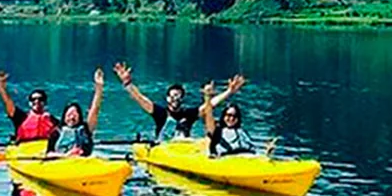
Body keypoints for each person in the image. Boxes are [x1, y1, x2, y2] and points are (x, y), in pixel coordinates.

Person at [113, 62, 245, 141]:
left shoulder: (189, 114)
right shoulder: (160, 113)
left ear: (182, 99)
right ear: (167, 98)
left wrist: (229, 91)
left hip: (183, 149)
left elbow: (209, 106)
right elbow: (140, 99)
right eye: (172, 96)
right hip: (164, 148)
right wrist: (127, 83)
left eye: (178, 96)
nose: (175, 99)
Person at [48, 68, 104, 156]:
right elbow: (49, 154)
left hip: (82, 164)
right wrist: (67, 155)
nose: (71, 117)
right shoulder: (56, 132)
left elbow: (95, 109)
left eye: (75, 115)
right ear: (64, 117)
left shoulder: (86, 128)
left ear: (79, 117)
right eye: (69, 115)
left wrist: (99, 87)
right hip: (61, 164)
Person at [0, 70, 60, 144]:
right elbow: (7, 101)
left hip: (44, 150)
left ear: (45, 102)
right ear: (30, 103)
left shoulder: (52, 120)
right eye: (33, 99)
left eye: (40, 99)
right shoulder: (21, 117)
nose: (37, 101)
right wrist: (1, 85)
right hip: (23, 149)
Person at [200, 80, 261, 157]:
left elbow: (253, 150)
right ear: (224, 116)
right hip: (227, 160)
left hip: (247, 158)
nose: (231, 118)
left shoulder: (241, 132)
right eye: (228, 115)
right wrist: (208, 96)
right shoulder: (217, 130)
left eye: (234, 116)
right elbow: (208, 113)